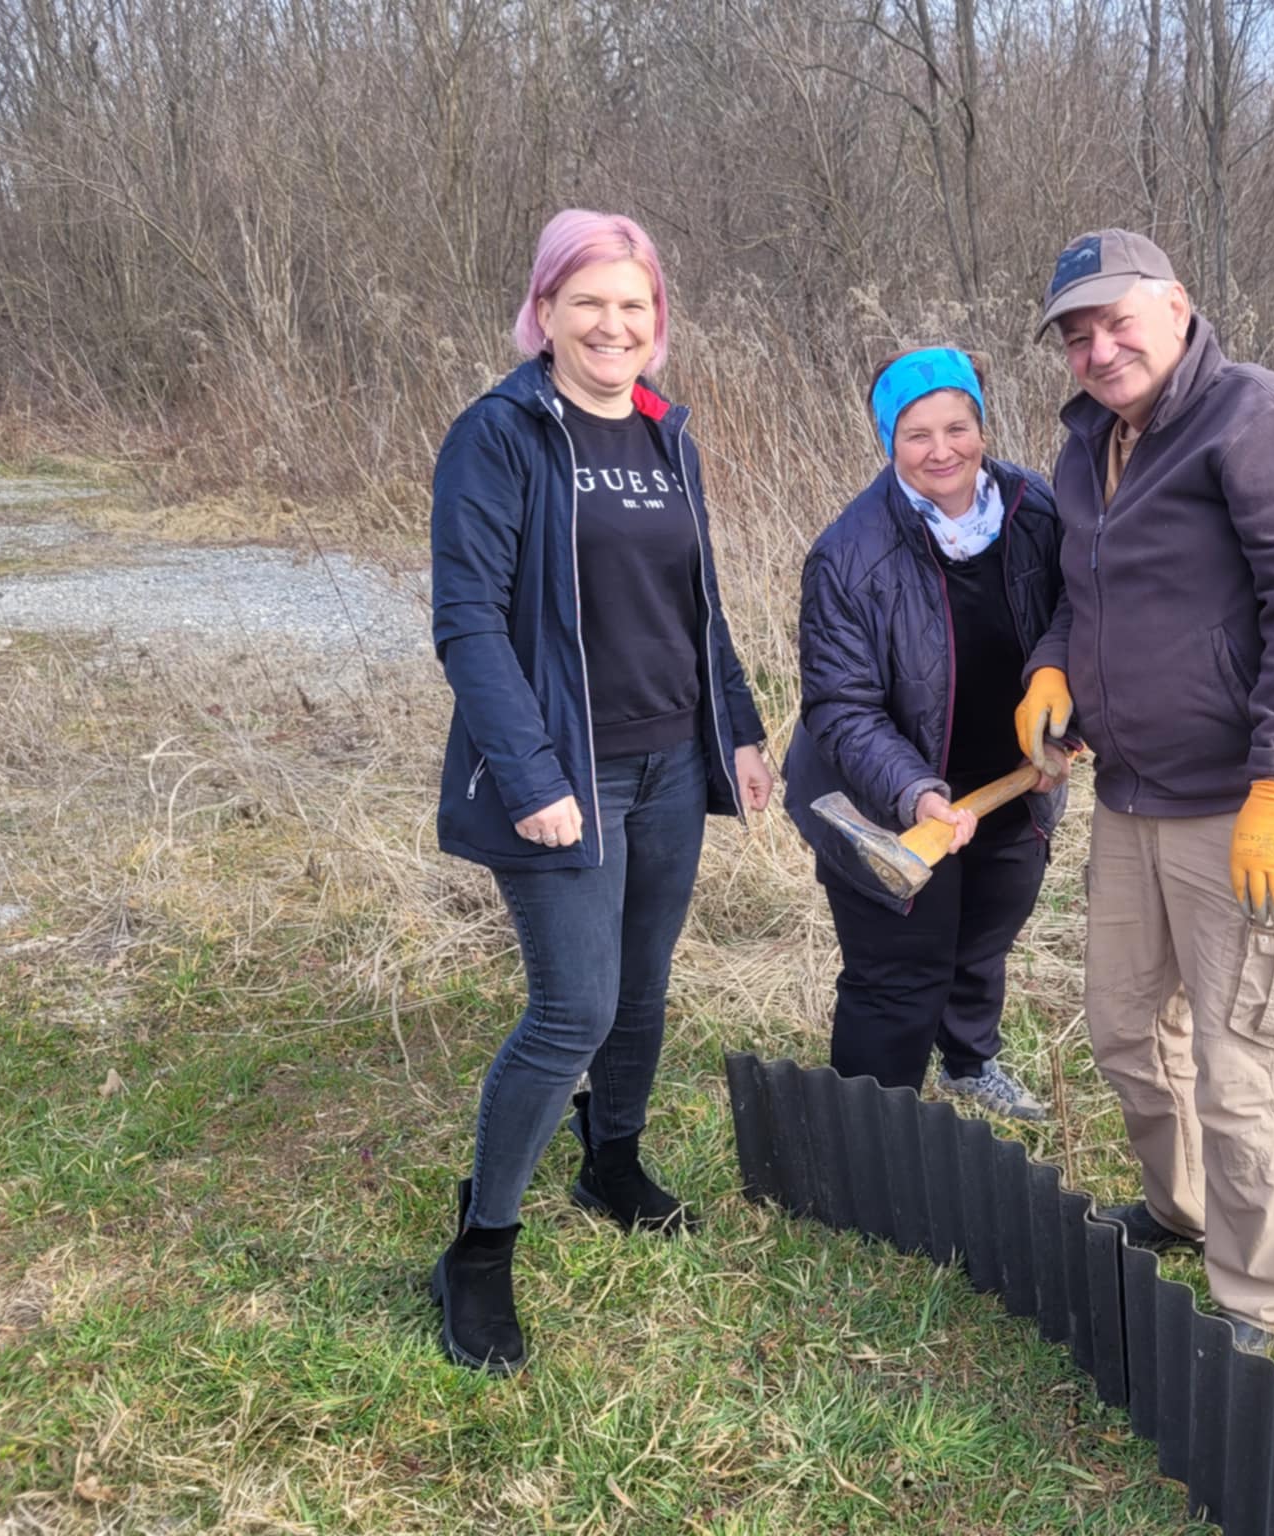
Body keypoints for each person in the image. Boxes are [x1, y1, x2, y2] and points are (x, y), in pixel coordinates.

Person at [427, 208, 772, 1374]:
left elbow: (698, 604)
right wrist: (530, 776)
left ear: (657, 322)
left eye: (633, 305)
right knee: (570, 1006)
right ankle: (478, 1249)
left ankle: (609, 1157)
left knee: (642, 987)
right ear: (545, 313)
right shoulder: (501, 434)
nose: (611, 324)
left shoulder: (669, 435)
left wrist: (740, 729)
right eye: (588, 303)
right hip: (563, 775)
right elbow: (467, 623)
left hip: (674, 761)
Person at [1018, 230, 1274, 1356]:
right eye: (1077, 335)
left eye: (1118, 321)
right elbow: (1082, 595)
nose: (1099, 348)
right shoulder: (1088, 447)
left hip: (1246, 809)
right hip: (1131, 798)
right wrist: (1049, 666)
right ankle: (1180, 1212)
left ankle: (1258, 1312)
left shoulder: (1263, 422)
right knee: (1124, 1033)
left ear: (1176, 305)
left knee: (1241, 1066)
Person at [784, 346, 1069, 1120]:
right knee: (898, 969)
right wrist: (914, 794)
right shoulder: (848, 554)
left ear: (982, 424)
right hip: (886, 795)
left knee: (983, 936)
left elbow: (1075, 622)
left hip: (1010, 780)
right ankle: (871, 1125)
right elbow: (840, 706)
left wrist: (1065, 726)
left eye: (958, 426)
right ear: (888, 441)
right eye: (917, 434)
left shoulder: (1034, 510)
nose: (942, 449)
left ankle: (969, 1064)